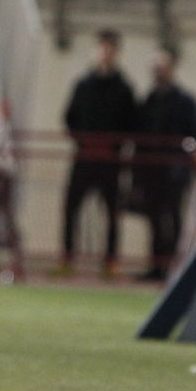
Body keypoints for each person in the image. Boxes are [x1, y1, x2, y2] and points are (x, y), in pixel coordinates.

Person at [58, 29, 137, 278]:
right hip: (84, 156)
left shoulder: (124, 88)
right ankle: (67, 258)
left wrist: (114, 145)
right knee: (71, 208)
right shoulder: (83, 84)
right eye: (102, 47)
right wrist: (82, 141)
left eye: (110, 48)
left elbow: (131, 122)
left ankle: (111, 262)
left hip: (111, 160)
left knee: (112, 211)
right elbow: (69, 117)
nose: (105, 53)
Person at [132, 49, 196, 281]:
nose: (158, 71)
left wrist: (183, 161)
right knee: (153, 218)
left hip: (175, 171)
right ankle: (156, 266)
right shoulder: (149, 100)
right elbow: (139, 135)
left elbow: (195, 136)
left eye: (162, 66)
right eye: (155, 67)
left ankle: (176, 266)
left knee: (173, 217)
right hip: (151, 170)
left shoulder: (185, 101)